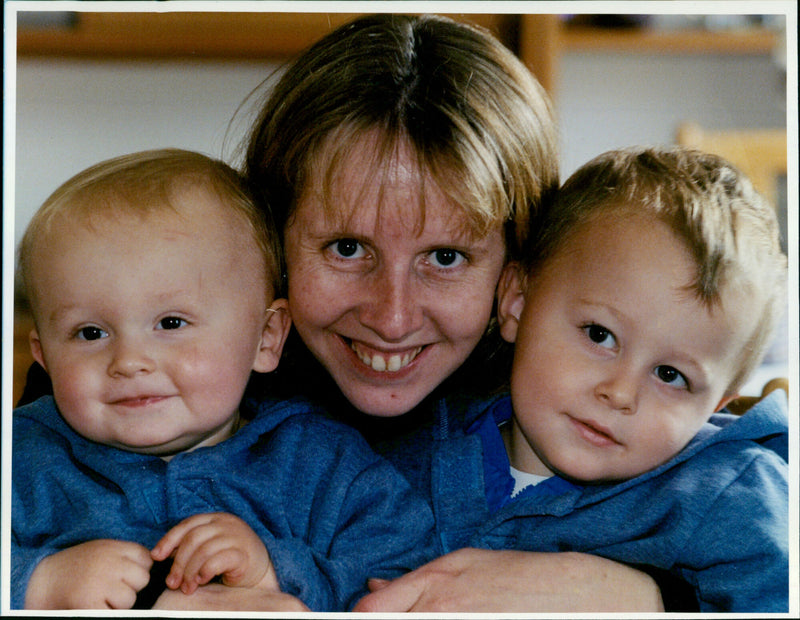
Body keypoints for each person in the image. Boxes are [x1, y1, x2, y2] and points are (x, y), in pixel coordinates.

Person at [234, 13, 672, 612]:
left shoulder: (580, 414)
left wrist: (649, 597)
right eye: (347, 248)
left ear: (516, 272)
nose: (392, 318)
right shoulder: (172, 391)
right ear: (272, 236)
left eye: (445, 256)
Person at [11, 149, 436, 611]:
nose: (129, 361)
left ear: (266, 338)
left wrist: (275, 570)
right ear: (44, 356)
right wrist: (36, 583)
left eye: (171, 323)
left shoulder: (323, 465)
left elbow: (410, 578)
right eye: (90, 333)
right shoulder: (22, 458)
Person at [420, 146, 787, 611]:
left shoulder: (728, 497)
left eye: (671, 375)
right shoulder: (417, 440)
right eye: (600, 335)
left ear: (715, 406)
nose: (619, 393)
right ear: (517, 300)